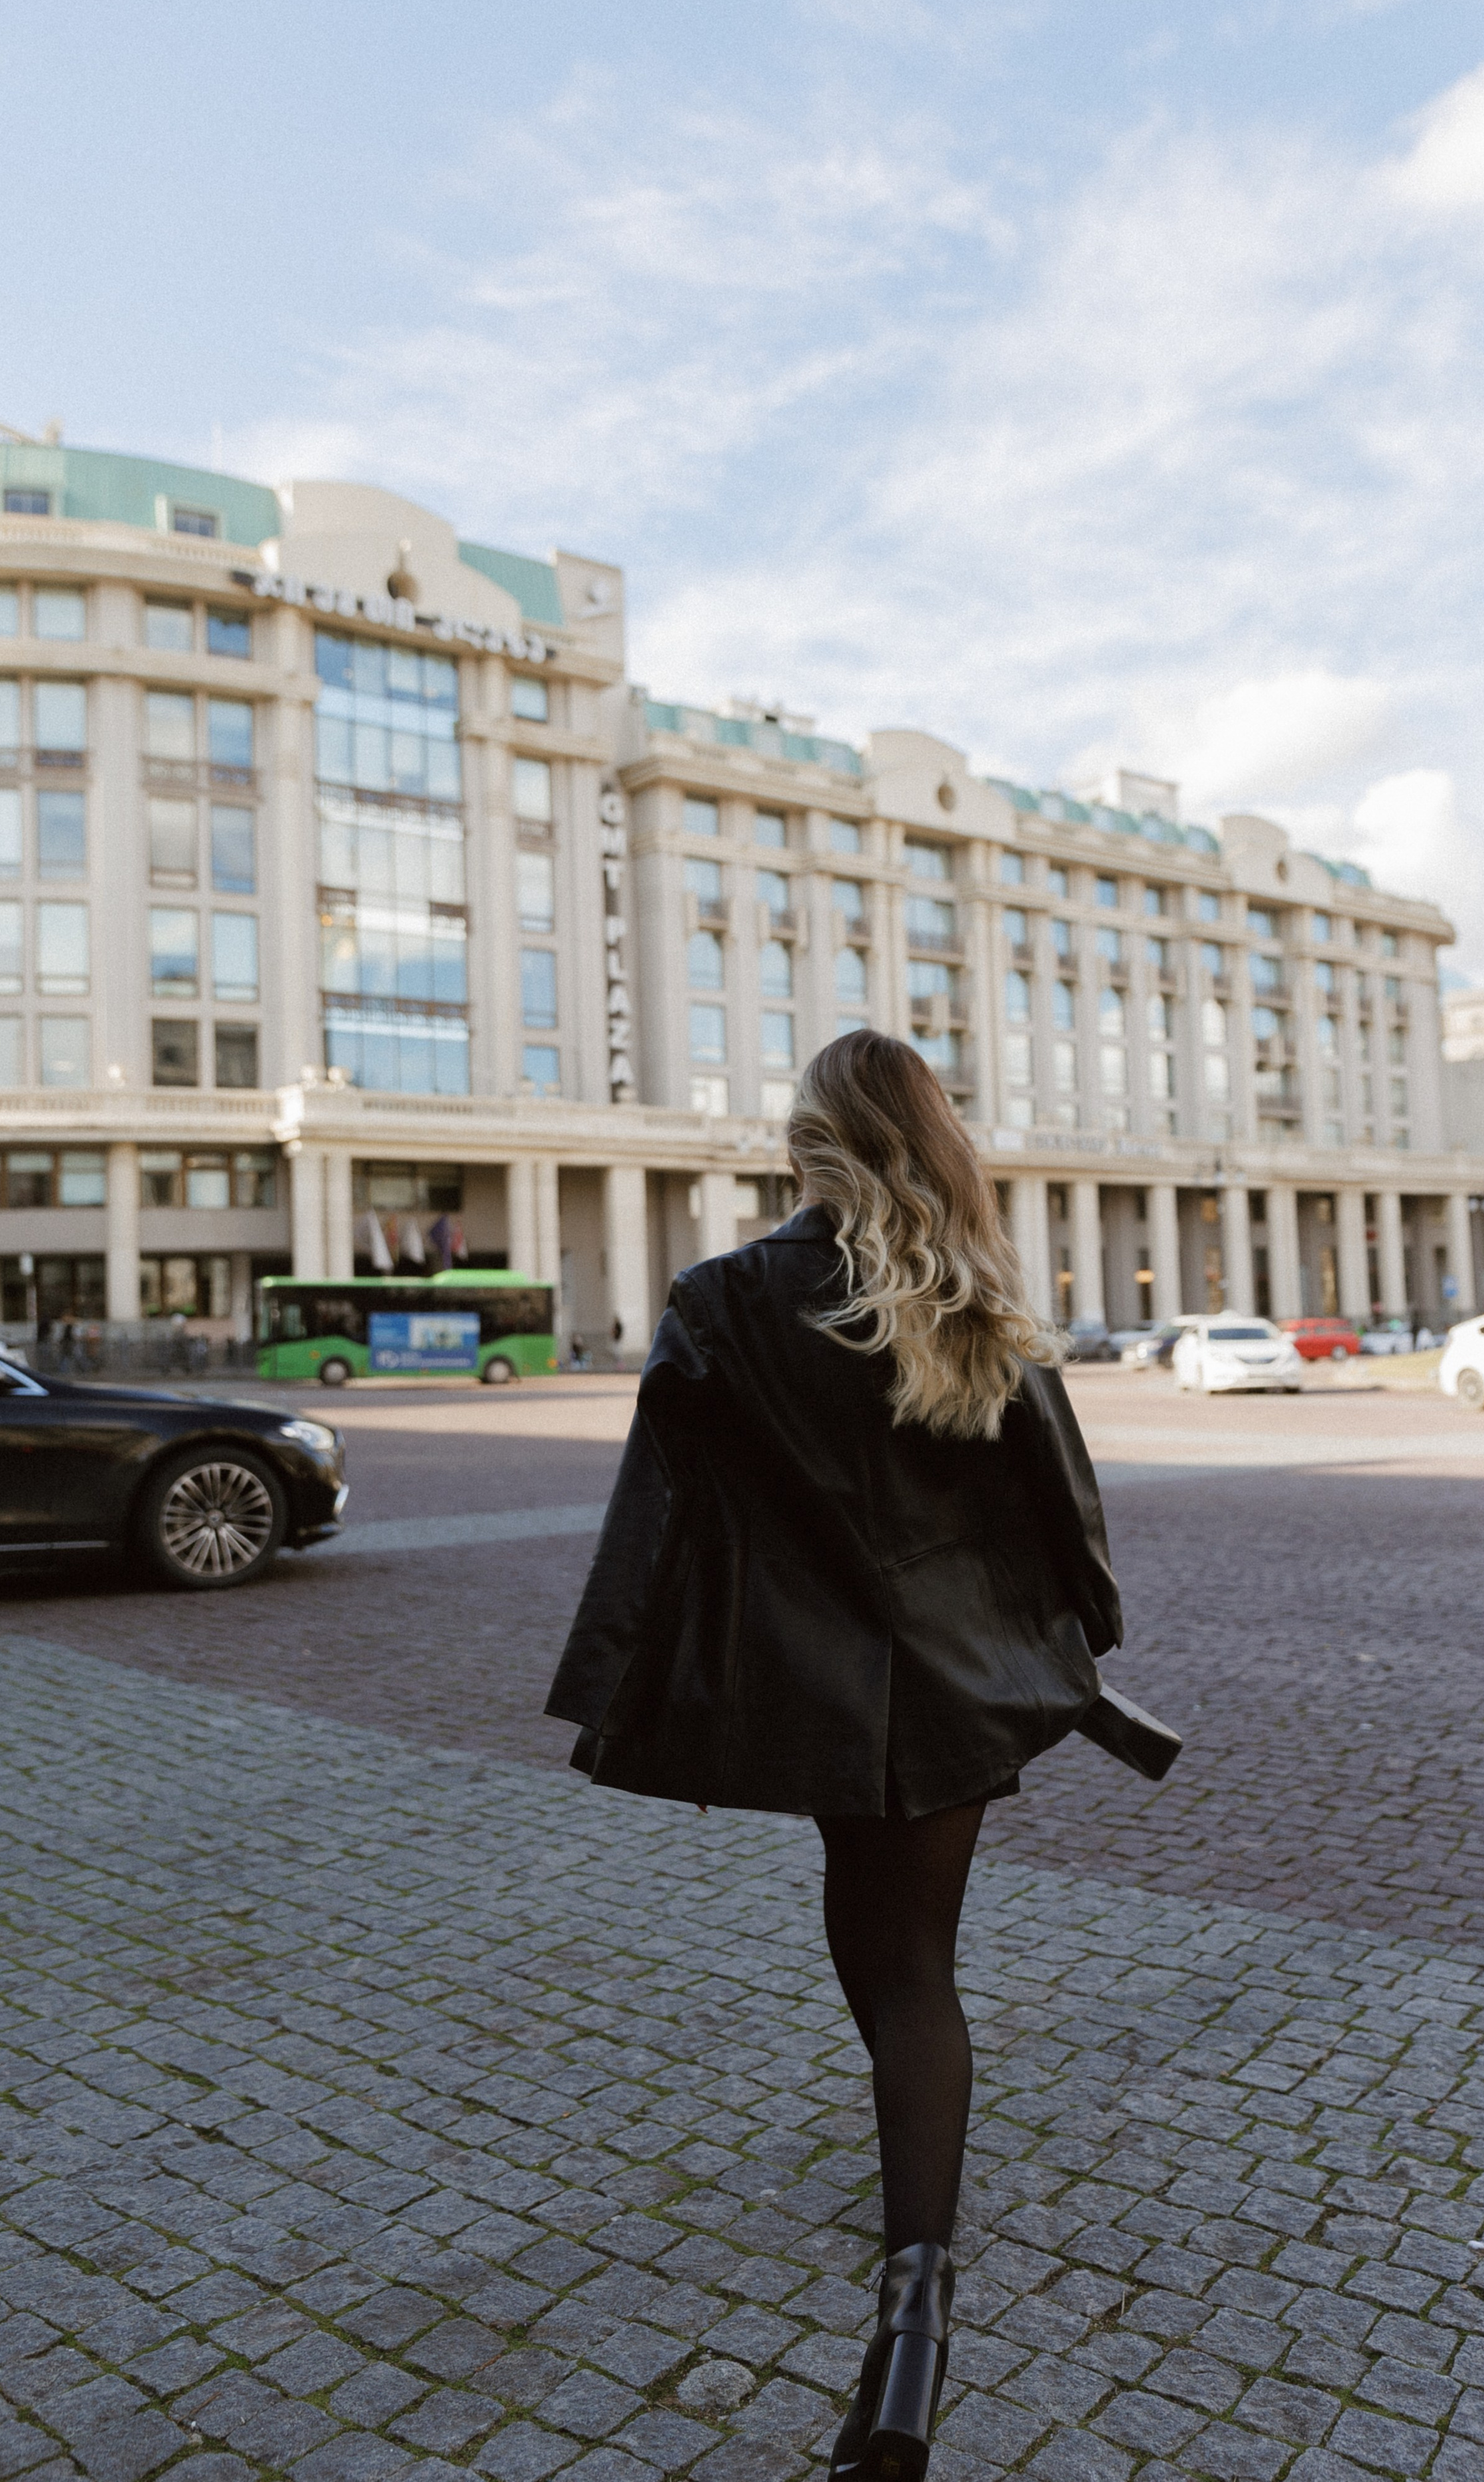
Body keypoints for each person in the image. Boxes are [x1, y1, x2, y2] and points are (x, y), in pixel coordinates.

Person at [545, 1031, 1125, 2482]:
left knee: (877, 1957)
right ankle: (914, 2308)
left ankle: (909, 2257)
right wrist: (1080, 1653)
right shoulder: (981, 1300)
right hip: (957, 1698)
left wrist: (618, 1699)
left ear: (802, 1149)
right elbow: (1065, 1516)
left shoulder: (721, 1301)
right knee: (922, 1968)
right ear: (928, 1139)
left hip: (812, 1698)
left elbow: (656, 1527)